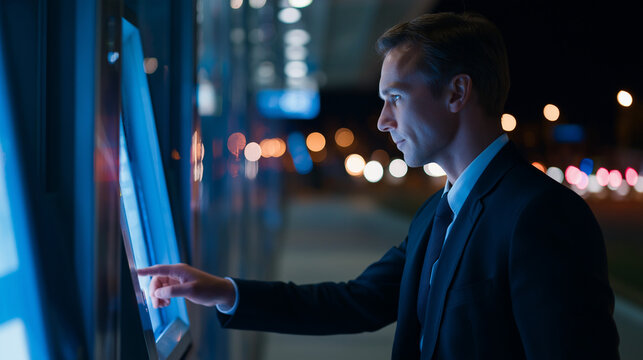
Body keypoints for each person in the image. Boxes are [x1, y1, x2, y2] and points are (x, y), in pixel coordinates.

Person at [138, 12, 620, 359]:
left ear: (456, 92)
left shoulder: (540, 215)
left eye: (396, 98)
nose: (385, 121)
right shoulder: (438, 212)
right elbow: (357, 301)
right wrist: (224, 291)